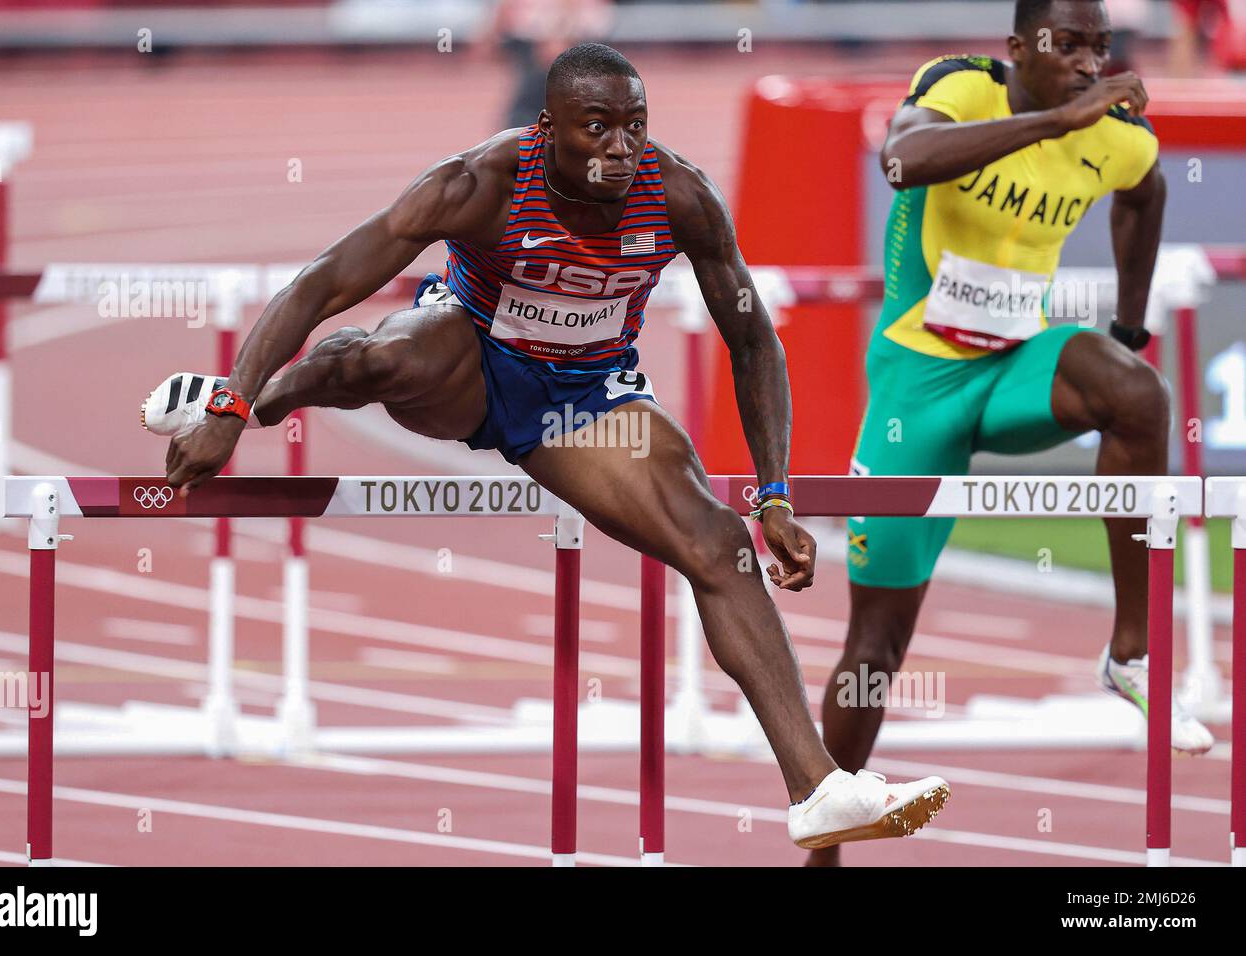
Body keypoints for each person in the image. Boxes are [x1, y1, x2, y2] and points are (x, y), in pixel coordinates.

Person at [142, 43, 950, 853]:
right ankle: (234, 407)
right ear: (548, 129)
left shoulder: (680, 197)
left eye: (634, 126)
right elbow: (323, 279)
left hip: (588, 400)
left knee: (715, 542)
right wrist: (235, 397)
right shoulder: (481, 183)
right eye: (596, 128)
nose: (618, 147)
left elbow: (752, 339)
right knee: (376, 358)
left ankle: (817, 789)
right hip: (474, 360)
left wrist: (774, 495)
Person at [806, 0, 1214, 867]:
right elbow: (902, 158)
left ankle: (1131, 652)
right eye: (1066, 44)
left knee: (1137, 394)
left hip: (1013, 369)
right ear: (1018, 47)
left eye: (1097, 48)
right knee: (876, 642)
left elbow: (1146, 192)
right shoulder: (959, 87)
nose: (1085, 62)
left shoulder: (1113, 134)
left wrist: (1129, 325)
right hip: (916, 383)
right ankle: (826, 849)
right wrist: (1052, 122)